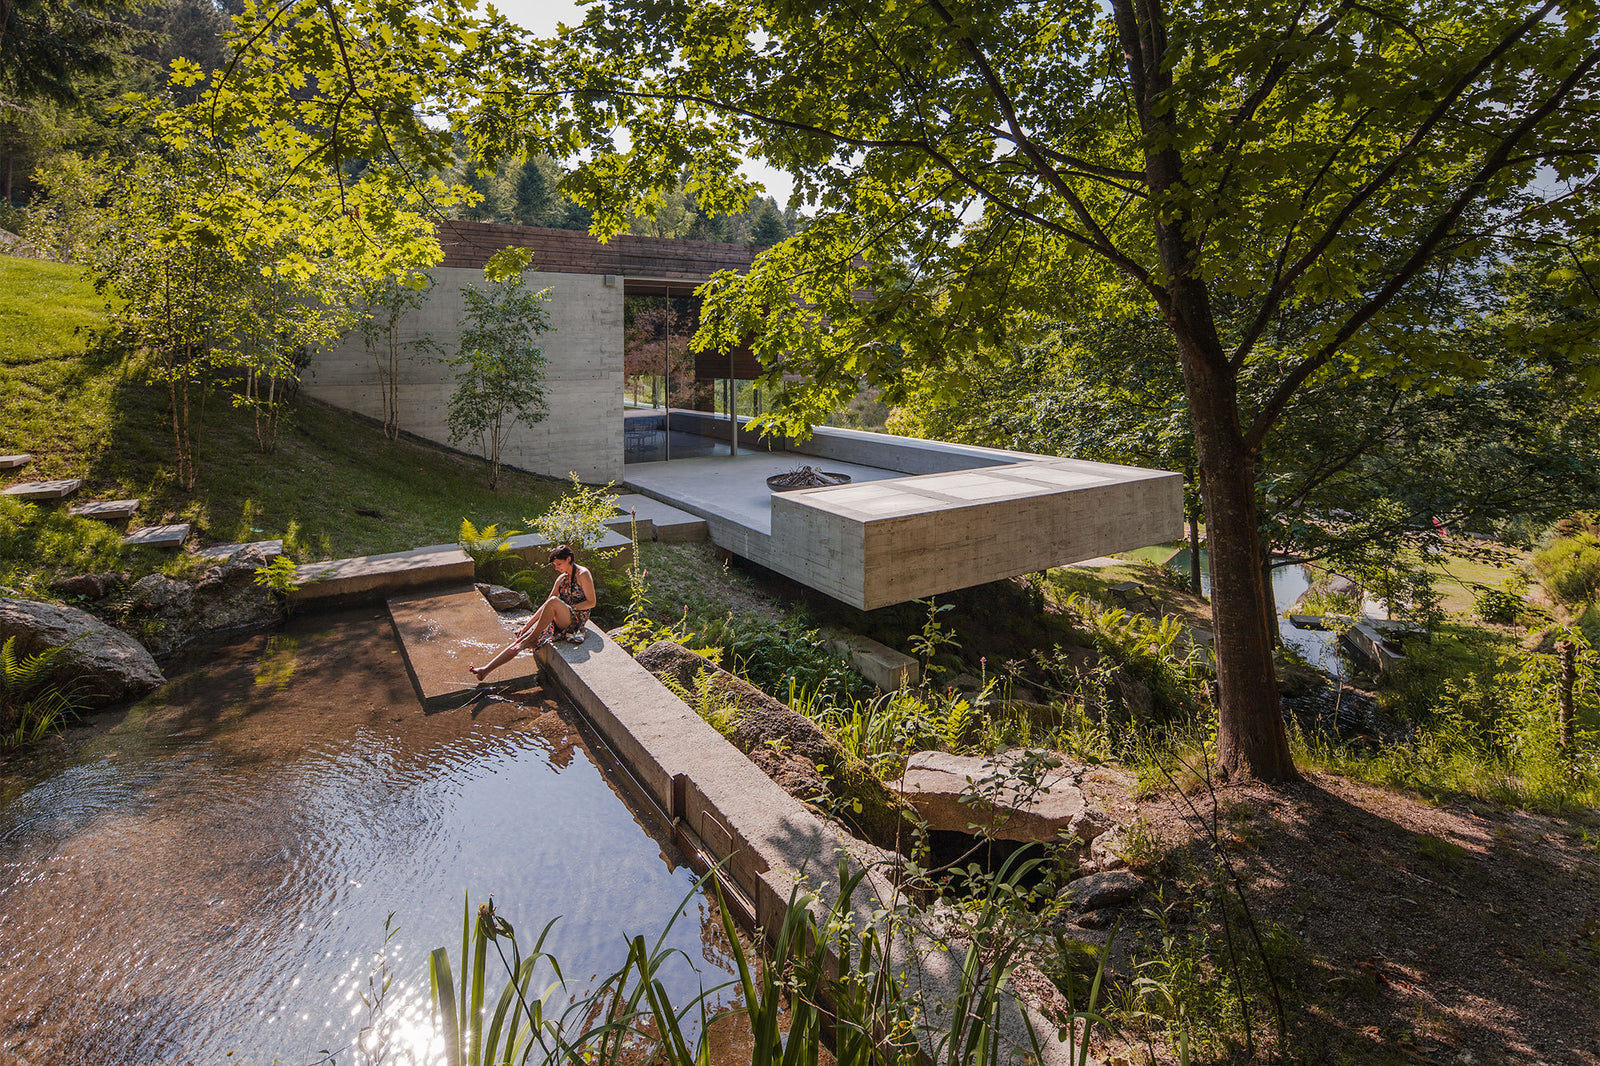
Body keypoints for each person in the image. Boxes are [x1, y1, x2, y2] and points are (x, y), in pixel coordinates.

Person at [469, 544, 596, 681]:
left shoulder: (583, 574)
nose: (556, 568)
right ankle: (485, 670)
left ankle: (532, 639)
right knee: (521, 640)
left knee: (553, 602)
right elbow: (546, 605)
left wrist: (568, 607)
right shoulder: (561, 579)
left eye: (559, 564)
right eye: (555, 565)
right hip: (560, 616)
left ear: (569, 559)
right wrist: (527, 626)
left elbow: (591, 602)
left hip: (576, 618)